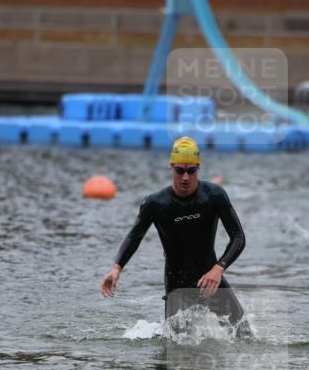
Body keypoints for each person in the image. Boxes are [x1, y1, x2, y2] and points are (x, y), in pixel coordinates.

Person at [101, 137, 248, 332]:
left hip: (210, 280)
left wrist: (219, 268)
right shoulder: (155, 203)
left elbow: (238, 237)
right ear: (171, 168)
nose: (185, 177)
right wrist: (116, 268)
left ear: (198, 168)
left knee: (244, 334)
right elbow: (134, 237)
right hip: (176, 286)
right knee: (176, 352)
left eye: (191, 170)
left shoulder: (214, 195)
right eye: (180, 170)